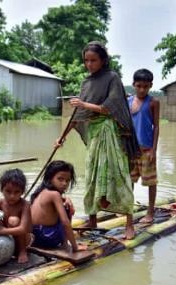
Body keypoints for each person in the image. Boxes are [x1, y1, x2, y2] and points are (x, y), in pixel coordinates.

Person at [58, 41, 140, 240]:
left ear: (103, 60)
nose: (89, 64)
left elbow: (110, 106)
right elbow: (78, 114)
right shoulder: (86, 83)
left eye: (93, 60)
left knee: (119, 175)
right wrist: (62, 137)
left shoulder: (112, 78)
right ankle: (93, 218)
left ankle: (129, 223)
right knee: (92, 174)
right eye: (86, 60)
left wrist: (84, 103)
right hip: (94, 134)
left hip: (109, 133)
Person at [29, 160, 86, 251]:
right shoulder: (55, 195)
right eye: (60, 179)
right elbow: (65, 223)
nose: (64, 183)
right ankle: (65, 244)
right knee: (66, 209)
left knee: (65, 205)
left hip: (34, 237)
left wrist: (67, 199)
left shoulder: (41, 192)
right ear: (50, 178)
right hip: (46, 239)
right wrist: (75, 247)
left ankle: (64, 241)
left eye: (67, 180)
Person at [128, 68, 160, 223]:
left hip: (147, 150)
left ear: (150, 86)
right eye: (139, 86)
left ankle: (150, 212)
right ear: (134, 84)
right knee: (129, 182)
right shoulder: (127, 102)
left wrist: (154, 149)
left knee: (150, 182)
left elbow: (156, 126)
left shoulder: (153, 102)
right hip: (131, 150)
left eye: (145, 86)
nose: (142, 89)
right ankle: (128, 211)